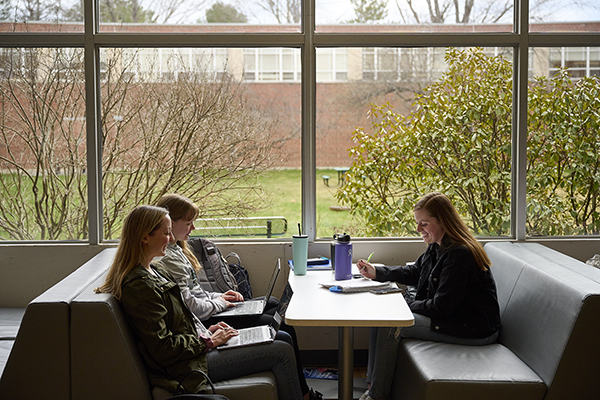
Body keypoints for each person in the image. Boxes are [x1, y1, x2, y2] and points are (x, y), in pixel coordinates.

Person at [95, 205, 304, 400]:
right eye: (166, 233)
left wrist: (206, 331)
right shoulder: (140, 286)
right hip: (188, 367)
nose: (170, 239)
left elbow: (178, 320)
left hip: (195, 352)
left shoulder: (156, 271)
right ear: (144, 238)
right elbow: (163, 348)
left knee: (282, 336)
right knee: (281, 351)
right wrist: (208, 341)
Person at [154, 193, 322, 400]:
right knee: (281, 330)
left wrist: (220, 296)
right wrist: (220, 304)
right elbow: (191, 306)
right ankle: (304, 394)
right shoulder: (164, 259)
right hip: (205, 322)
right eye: (188, 223)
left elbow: (194, 292)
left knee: (273, 306)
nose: (193, 229)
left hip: (203, 324)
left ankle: (302, 391)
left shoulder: (177, 251)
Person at [356, 192, 501, 400]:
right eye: (417, 223)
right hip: (452, 318)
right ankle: (373, 384)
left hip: (473, 330)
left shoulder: (459, 255)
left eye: (423, 223)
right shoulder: (437, 246)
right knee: (382, 318)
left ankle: (377, 396)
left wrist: (406, 304)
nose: (418, 229)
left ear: (442, 221)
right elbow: (415, 272)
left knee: (390, 325)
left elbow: (441, 308)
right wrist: (377, 272)